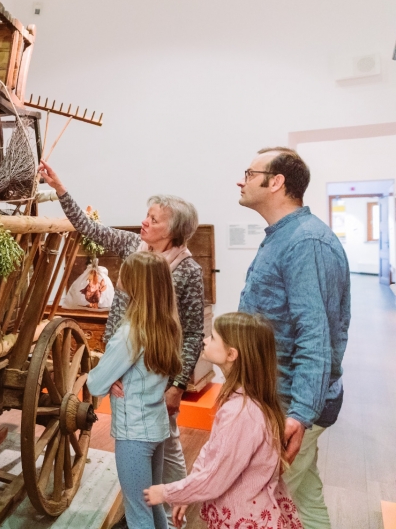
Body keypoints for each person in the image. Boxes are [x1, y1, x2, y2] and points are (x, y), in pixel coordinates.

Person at [39, 160, 205, 526]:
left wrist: (178, 384)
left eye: (154, 219)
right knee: (158, 444)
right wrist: (61, 190)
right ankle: (161, 511)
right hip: (127, 365)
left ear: (173, 230)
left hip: (154, 371)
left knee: (165, 447)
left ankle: (175, 507)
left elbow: (192, 332)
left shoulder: (188, 271)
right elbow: (89, 228)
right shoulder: (134, 244)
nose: (144, 222)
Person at [236, 147, 350, 529]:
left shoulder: (305, 242)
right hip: (278, 397)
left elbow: (315, 335)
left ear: (276, 182)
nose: (242, 180)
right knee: (304, 498)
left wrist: (299, 414)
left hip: (287, 406)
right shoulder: (285, 236)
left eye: (250, 173)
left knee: (258, 507)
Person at [143, 312, 304, 529]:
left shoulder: (242, 413)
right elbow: (213, 451)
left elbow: (217, 474)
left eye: (213, 337)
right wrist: (187, 493)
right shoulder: (244, 402)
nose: (205, 340)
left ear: (231, 354)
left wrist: (167, 492)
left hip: (246, 520)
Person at [87, 251, 182, 529]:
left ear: (134, 284)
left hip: (134, 435)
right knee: (153, 505)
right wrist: (117, 375)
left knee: (138, 512)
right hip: (156, 427)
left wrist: (110, 376)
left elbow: (95, 383)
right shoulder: (167, 326)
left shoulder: (131, 332)